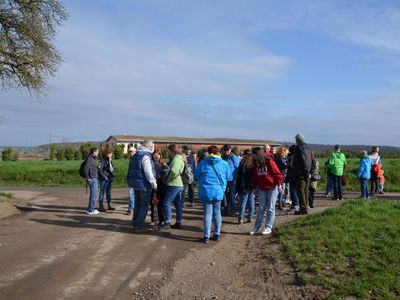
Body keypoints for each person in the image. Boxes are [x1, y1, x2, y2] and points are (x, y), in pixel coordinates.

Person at [194, 145, 231, 244]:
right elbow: (230, 177)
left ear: (208, 152)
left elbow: (196, 176)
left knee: (207, 213)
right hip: (218, 191)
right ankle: (217, 234)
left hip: (206, 191)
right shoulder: (224, 163)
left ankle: (206, 236)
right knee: (217, 212)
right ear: (218, 152)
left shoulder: (202, 163)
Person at [250, 148, 284, 235]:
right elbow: (255, 176)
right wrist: (254, 187)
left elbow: (278, 174)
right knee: (261, 208)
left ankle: (268, 227)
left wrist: (279, 185)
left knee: (271, 207)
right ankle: (257, 227)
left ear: (259, 155)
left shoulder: (270, 162)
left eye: (254, 155)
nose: (253, 157)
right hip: (262, 188)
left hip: (272, 187)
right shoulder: (256, 164)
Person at [127, 141, 157, 233]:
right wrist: (153, 182)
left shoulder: (135, 155)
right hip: (144, 185)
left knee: (137, 205)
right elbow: (148, 172)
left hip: (136, 185)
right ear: (146, 146)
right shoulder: (146, 156)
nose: (152, 148)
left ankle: (135, 224)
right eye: (151, 146)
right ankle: (139, 226)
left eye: (153, 146)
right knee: (143, 207)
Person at [161, 144, 186, 230]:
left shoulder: (176, 159)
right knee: (178, 204)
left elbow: (174, 172)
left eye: (169, 151)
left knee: (166, 203)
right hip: (179, 184)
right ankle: (178, 222)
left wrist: (167, 180)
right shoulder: (180, 158)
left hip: (174, 184)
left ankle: (167, 222)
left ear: (172, 151)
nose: (168, 153)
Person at [292, 133, 315, 215]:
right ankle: (305, 207)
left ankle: (303, 209)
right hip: (307, 174)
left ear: (297, 140)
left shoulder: (299, 148)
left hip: (301, 174)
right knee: (305, 191)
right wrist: (310, 173)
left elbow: (303, 161)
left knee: (301, 192)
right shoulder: (309, 148)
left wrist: (306, 172)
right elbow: (313, 161)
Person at [236, 149, 255, 224]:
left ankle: (241, 218)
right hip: (252, 184)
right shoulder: (253, 163)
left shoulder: (242, 163)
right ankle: (250, 218)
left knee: (243, 202)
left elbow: (239, 175)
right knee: (251, 201)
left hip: (244, 185)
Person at [150, 149, 169, 226]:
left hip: (161, 187)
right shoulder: (150, 164)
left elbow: (167, 175)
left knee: (161, 204)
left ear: (160, 156)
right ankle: (153, 220)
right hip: (152, 187)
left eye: (158, 154)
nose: (156, 156)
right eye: (155, 154)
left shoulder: (164, 165)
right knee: (152, 204)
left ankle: (162, 220)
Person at [221, 144, 240, 216]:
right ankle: (226, 210)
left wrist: (235, 179)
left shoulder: (234, 158)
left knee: (232, 196)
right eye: (225, 150)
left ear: (230, 150)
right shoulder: (223, 157)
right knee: (225, 196)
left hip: (232, 180)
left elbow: (237, 169)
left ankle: (233, 210)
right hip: (224, 180)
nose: (226, 152)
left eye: (227, 150)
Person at [83, 147, 99, 215]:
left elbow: (91, 168)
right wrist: (88, 178)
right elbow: (85, 169)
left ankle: (90, 208)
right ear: (94, 152)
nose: (98, 153)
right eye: (97, 151)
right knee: (93, 194)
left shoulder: (92, 158)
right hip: (92, 179)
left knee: (94, 194)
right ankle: (90, 210)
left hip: (94, 178)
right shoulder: (90, 158)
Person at [274, 145, 289, 210]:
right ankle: (279, 204)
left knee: (283, 191)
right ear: (283, 151)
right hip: (281, 177)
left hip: (285, 176)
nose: (288, 152)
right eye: (287, 150)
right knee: (280, 191)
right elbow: (284, 166)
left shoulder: (285, 158)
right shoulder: (278, 159)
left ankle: (281, 202)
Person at [286, 145, 299, 211]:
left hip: (293, 175)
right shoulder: (297, 156)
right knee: (295, 190)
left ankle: (295, 205)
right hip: (297, 175)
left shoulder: (293, 157)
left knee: (293, 190)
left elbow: (290, 165)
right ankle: (295, 204)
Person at [126, 146, 136, 215]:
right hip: (130, 179)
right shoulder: (131, 159)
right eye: (130, 152)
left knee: (132, 195)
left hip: (135, 180)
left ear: (135, 152)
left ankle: (131, 208)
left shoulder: (136, 159)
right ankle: (131, 208)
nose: (131, 153)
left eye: (132, 151)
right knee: (131, 194)